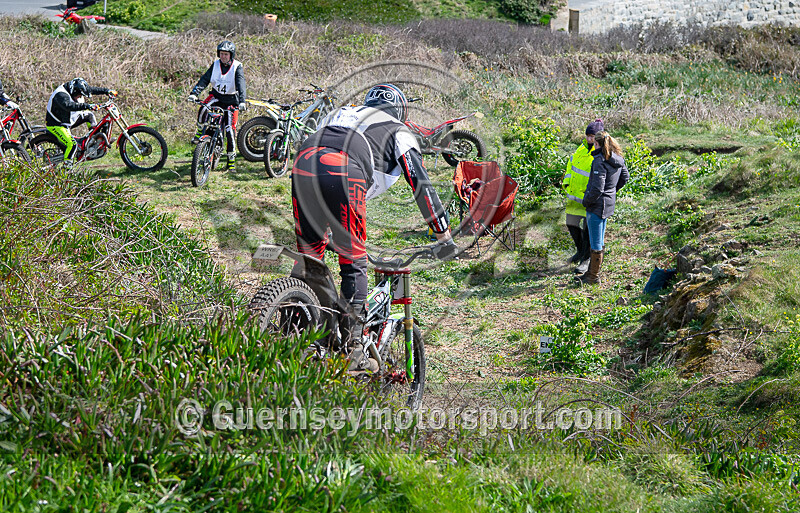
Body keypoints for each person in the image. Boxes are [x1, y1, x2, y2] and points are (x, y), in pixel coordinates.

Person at [290, 83, 457, 360]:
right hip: (343, 168)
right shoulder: (399, 130)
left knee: (310, 257)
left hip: (304, 161)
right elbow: (421, 185)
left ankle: (294, 327)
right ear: (400, 111)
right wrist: (443, 236)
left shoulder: (344, 112)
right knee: (353, 258)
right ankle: (354, 344)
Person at [578, 130, 629, 285]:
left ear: (597, 144)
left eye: (594, 143)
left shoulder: (599, 160)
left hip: (597, 205)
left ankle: (593, 277)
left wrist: (586, 201)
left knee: (595, 242)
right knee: (599, 240)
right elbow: (624, 178)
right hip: (607, 204)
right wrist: (611, 192)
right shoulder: (618, 159)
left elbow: (598, 188)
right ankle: (591, 273)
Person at [188, 40, 247, 171]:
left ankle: (231, 160)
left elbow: (241, 84)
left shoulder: (237, 66)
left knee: (229, 130)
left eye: (226, 54)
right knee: (203, 107)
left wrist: (242, 101)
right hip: (216, 96)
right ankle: (199, 132)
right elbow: (204, 79)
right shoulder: (215, 64)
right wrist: (194, 93)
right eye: (221, 54)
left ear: (231, 55)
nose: (223, 56)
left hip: (231, 101)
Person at [45, 77, 116, 170]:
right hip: (57, 124)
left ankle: (93, 141)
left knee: (90, 116)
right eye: (79, 95)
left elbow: (91, 89)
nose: (80, 97)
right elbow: (69, 106)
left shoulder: (76, 88)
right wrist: (88, 106)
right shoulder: (61, 94)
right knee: (72, 145)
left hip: (69, 119)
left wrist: (107, 91)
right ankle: (66, 168)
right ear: (73, 91)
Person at [563, 118, 602, 275]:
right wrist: (566, 184)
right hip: (574, 198)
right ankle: (580, 251)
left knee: (588, 231)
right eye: (588, 136)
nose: (590, 139)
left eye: (592, 136)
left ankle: (586, 259)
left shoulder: (600, 152)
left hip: (589, 199)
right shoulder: (580, 149)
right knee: (571, 224)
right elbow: (570, 167)